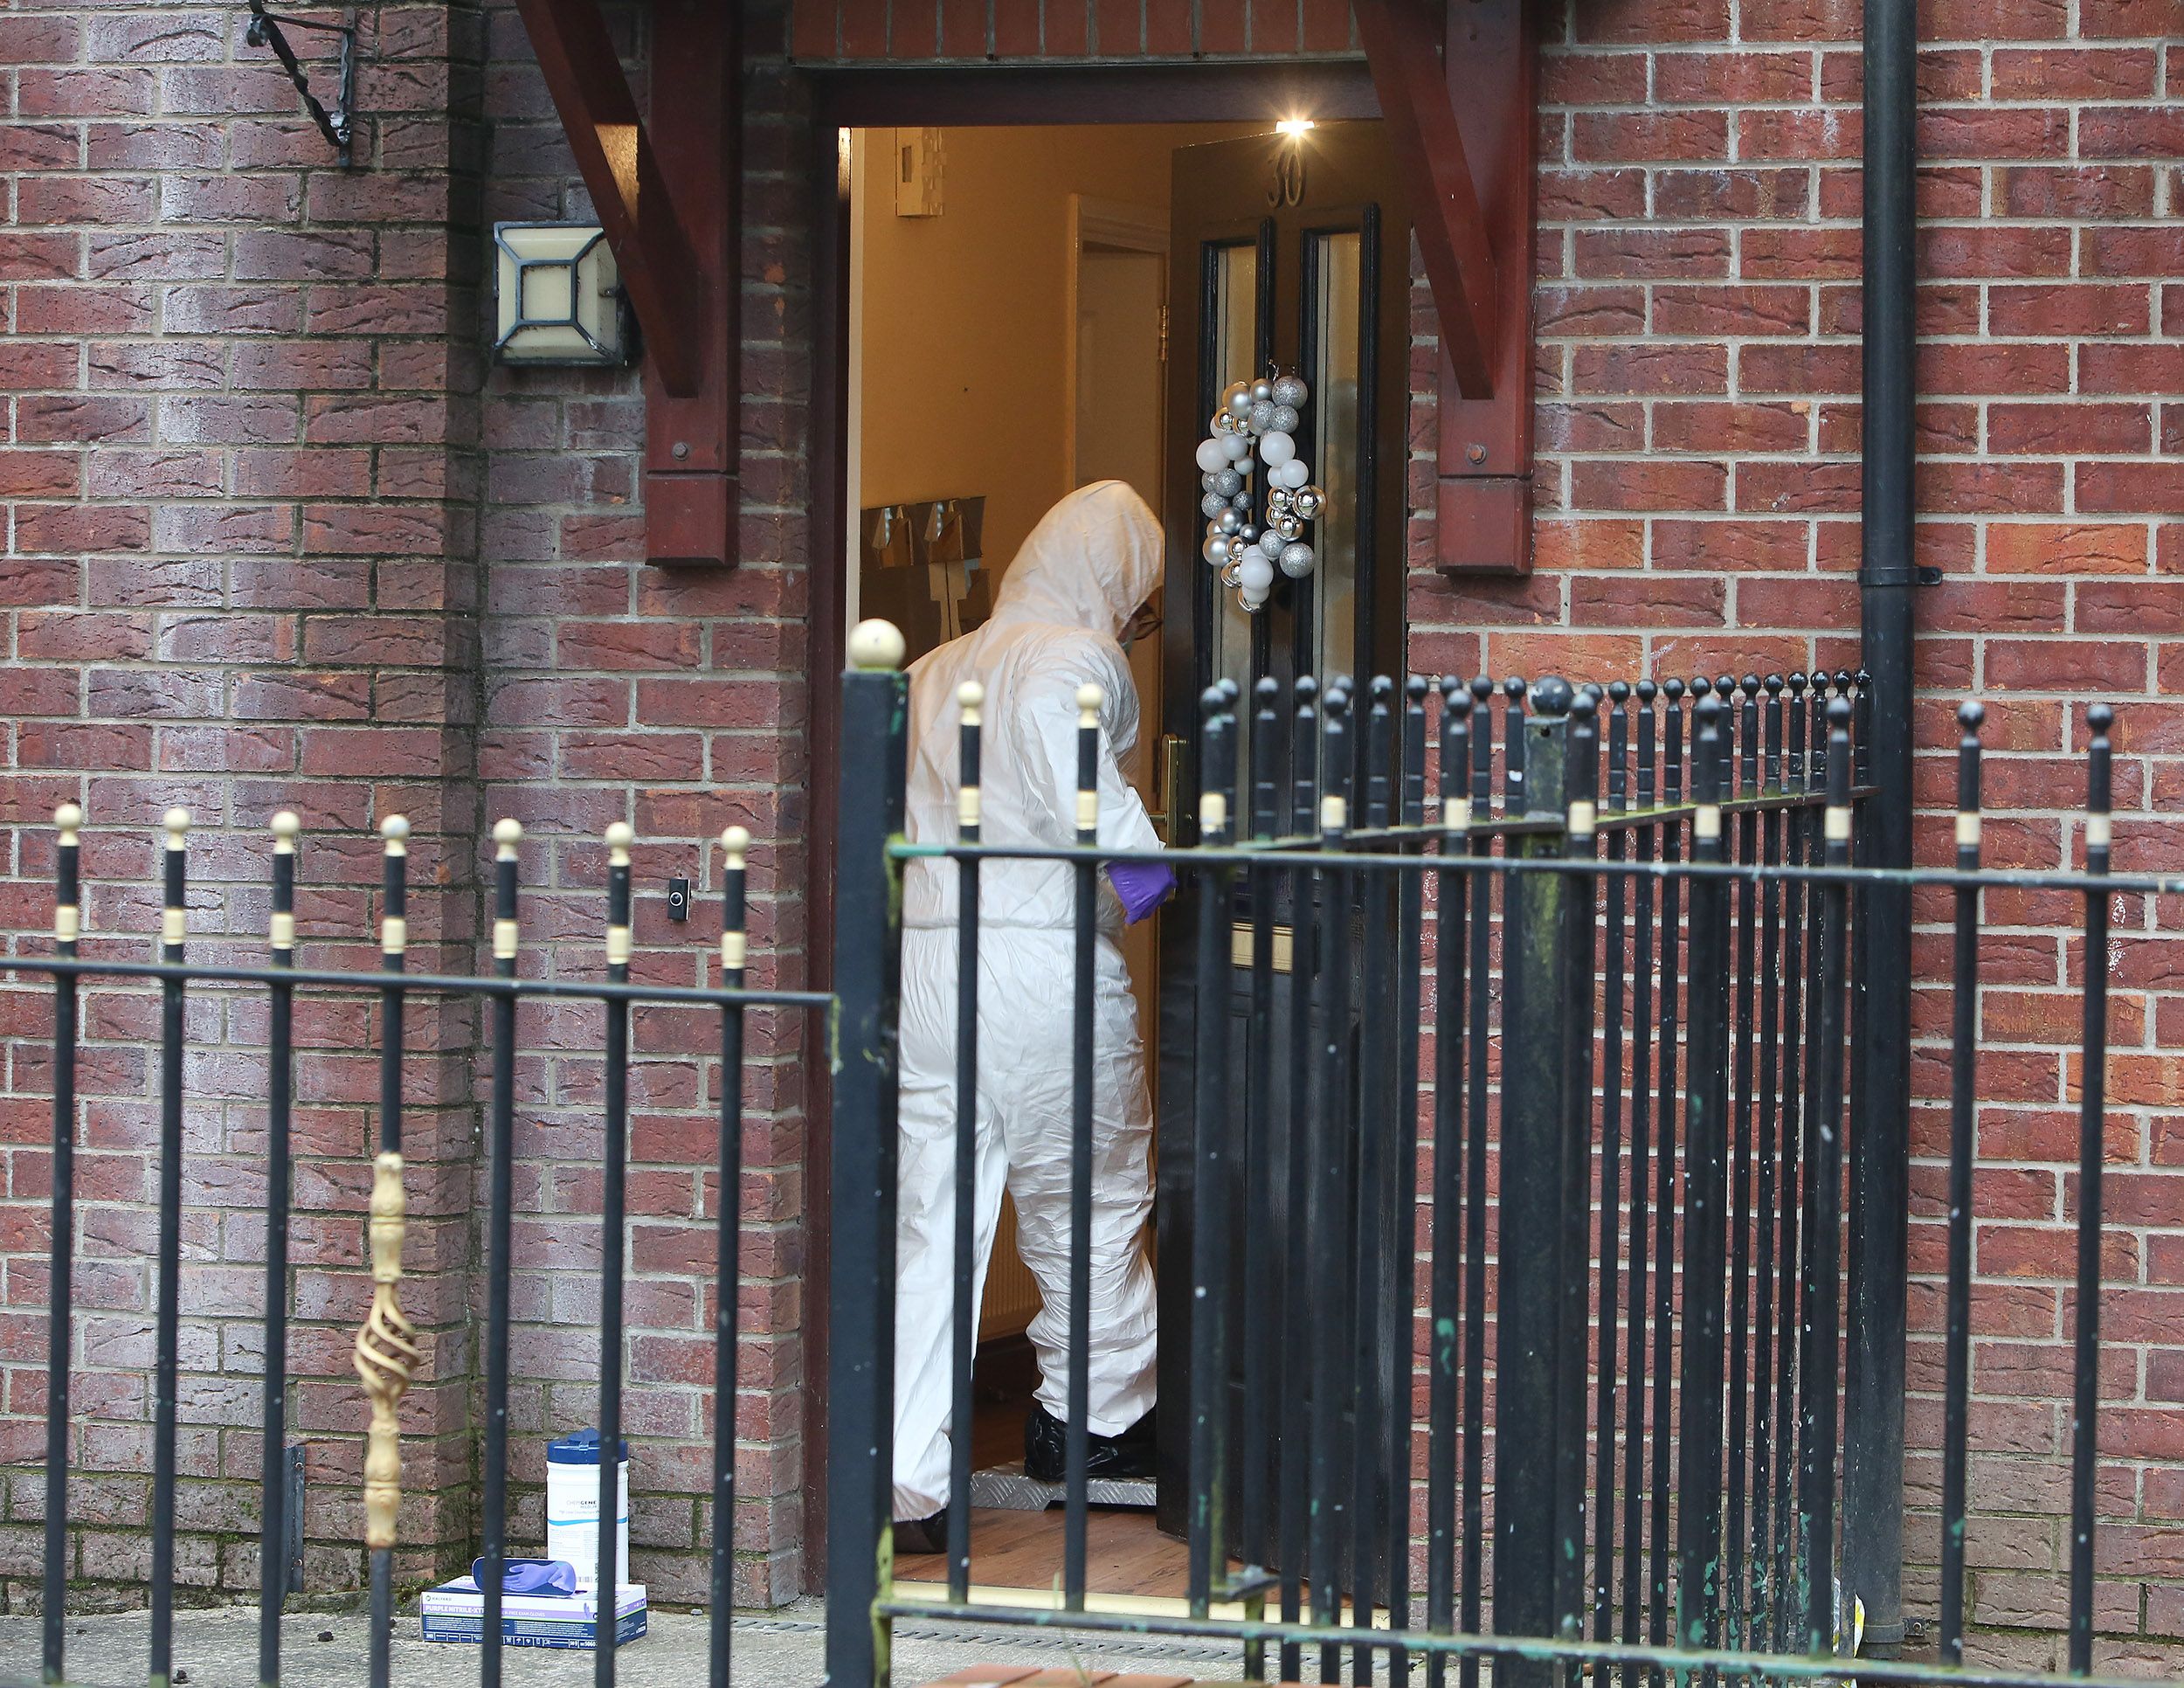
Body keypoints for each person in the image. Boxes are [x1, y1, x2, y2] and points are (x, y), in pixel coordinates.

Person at [890, 481, 1173, 1552]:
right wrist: (1166, 886)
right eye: (1137, 600)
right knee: (1089, 1197)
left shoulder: (930, 668)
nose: (1134, 624)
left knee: (932, 1217)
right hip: (1044, 963)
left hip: (931, 962)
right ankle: (1093, 1428)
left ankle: (909, 1478)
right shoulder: (1072, 659)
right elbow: (1089, 807)